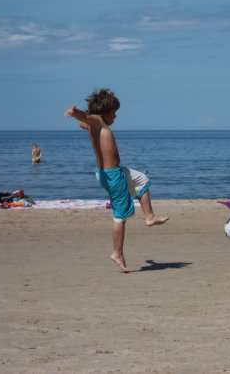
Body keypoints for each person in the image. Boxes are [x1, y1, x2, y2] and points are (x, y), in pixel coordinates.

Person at [64, 88, 169, 273]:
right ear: (103, 113)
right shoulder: (99, 122)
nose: (115, 117)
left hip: (112, 173)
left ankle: (150, 216)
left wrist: (80, 118)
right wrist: (75, 112)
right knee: (120, 217)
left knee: (142, 179)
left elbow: (84, 122)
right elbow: (86, 117)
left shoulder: (93, 126)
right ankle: (117, 253)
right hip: (113, 176)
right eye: (113, 113)